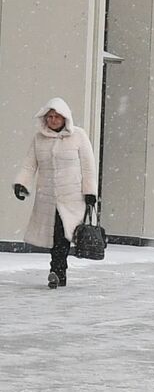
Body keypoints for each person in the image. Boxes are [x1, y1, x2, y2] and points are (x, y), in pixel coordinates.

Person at [13, 98, 97, 289]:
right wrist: (22, 183)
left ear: (65, 118)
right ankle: (59, 271)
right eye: (50, 116)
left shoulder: (79, 136)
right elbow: (29, 165)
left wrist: (90, 192)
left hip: (72, 196)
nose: (53, 120)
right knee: (54, 234)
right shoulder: (39, 139)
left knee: (63, 233)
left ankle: (57, 270)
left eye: (57, 116)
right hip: (47, 196)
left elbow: (88, 167)